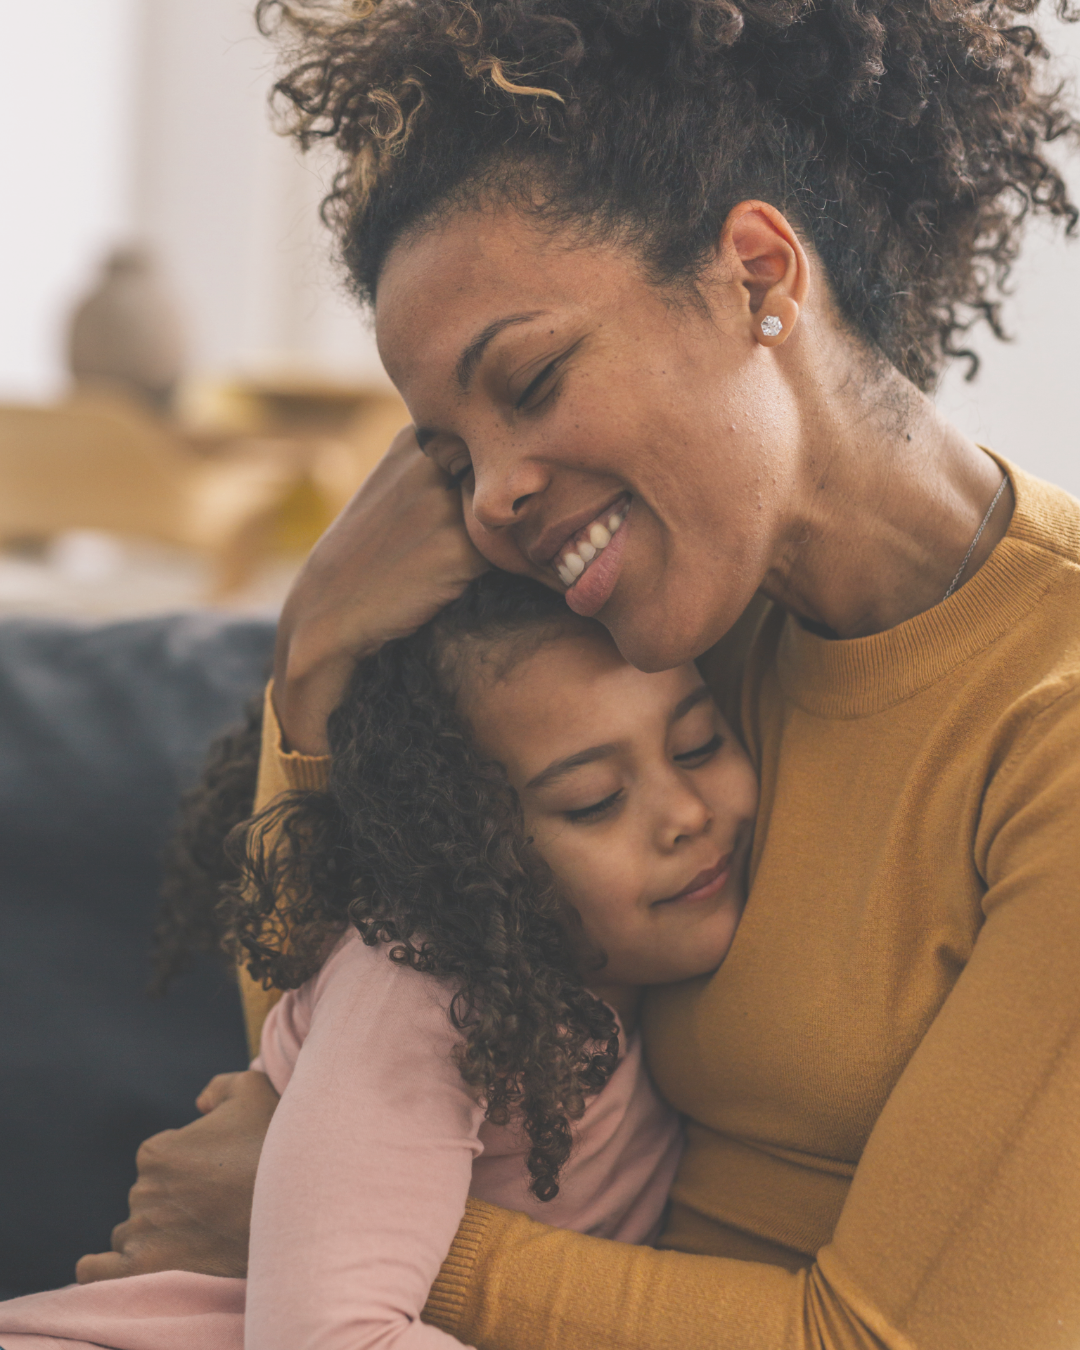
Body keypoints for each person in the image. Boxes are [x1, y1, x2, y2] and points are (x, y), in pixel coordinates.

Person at [53, 0, 1080, 1346]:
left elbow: (898, 1339)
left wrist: (336, 1224)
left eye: (528, 379)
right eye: (450, 454)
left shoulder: (1043, 716)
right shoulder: (654, 632)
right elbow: (361, 1010)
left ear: (760, 274)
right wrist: (313, 660)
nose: (490, 503)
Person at [0, 571, 758, 1348]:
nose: (687, 814)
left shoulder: (618, 986)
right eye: (596, 800)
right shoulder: (423, 988)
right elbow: (334, 1337)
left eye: (698, 743)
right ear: (472, 853)